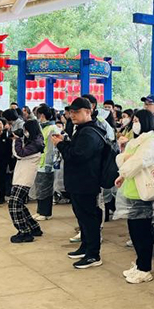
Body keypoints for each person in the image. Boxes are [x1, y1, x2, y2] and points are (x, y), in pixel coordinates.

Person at [52, 97, 107, 269]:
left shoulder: (89, 132)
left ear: (88, 111)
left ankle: (93, 255)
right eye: (71, 112)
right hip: (79, 182)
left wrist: (61, 145)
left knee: (89, 219)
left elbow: (77, 156)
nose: (72, 115)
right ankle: (85, 247)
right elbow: (78, 150)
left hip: (86, 182)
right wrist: (65, 143)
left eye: (77, 112)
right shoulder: (83, 130)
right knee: (82, 218)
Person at [115, 109, 154, 284]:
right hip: (132, 191)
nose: (134, 123)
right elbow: (126, 160)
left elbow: (138, 161)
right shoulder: (138, 141)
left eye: (137, 120)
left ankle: (145, 269)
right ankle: (139, 264)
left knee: (142, 233)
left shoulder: (152, 141)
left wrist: (125, 162)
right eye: (134, 120)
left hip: (143, 193)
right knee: (134, 231)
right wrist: (123, 170)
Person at [7, 120, 45, 242]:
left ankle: (24, 232)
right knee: (18, 203)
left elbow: (20, 154)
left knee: (14, 204)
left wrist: (17, 140)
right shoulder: (35, 141)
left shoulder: (36, 143)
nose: (24, 132)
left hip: (25, 178)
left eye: (25, 130)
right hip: (22, 176)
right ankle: (33, 227)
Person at [32, 104, 58, 221]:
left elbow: (51, 149)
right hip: (40, 162)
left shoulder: (52, 129)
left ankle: (46, 212)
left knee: (46, 189)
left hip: (47, 164)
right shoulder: (43, 128)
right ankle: (40, 210)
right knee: (40, 188)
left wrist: (48, 163)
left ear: (42, 115)